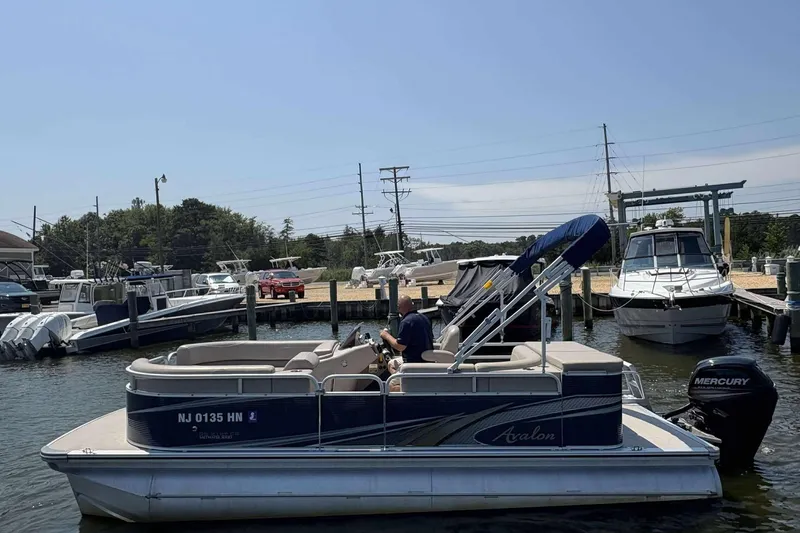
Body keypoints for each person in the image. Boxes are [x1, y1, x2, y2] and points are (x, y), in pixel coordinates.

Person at [380, 294, 434, 374]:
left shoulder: (406, 322)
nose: (398, 309)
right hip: (427, 359)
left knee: (391, 375)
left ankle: (400, 384)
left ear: (400, 307)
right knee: (391, 363)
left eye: (398, 307)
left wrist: (386, 335)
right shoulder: (424, 318)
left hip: (414, 362)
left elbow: (400, 347)